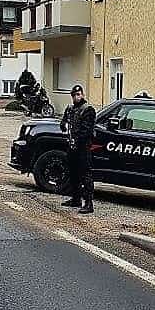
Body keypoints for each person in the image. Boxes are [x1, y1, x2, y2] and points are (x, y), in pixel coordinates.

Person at [60, 84, 96, 214]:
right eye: (74, 95)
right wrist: (63, 124)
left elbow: (87, 130)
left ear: (83, 95)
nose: (76, 97)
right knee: (72, 172)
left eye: (78, 94)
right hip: (72, 146)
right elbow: (64, 123)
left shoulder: (88, 110)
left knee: (85, 175)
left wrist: (77, 139)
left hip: (83, 147)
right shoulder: (70, 109)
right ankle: (76, 199)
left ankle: (89, 203)